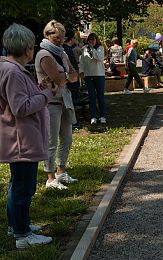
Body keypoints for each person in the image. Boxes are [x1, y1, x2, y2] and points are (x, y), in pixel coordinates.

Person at [0, 23, 54, 248]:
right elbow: (20, 107)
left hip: (19, 138)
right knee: (23, 188)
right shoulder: (12, 71)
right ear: (26, 48)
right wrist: (46, 95)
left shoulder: (11, 69)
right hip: (21, 140)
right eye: (31, 46)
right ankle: (22, 235)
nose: (33, 50)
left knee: (18, 185)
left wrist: (37, 90)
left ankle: (18, 225)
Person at [35, 20, 78, 190]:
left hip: (64, 99)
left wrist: (65, 75)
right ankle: (50, 177)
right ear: (47, 35)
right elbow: (60, 78)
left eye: (62, 37)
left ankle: (61, 171)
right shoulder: (44, 54)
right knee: (51, 141)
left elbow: (74, 76)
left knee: (67, 138)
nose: (60, 40)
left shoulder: (62, 53)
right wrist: (66, 75)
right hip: (50, 102)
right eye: (57, 37)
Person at [79, 33, 107, 125]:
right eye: (89, 40)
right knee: (91, 96)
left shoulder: (100, 48)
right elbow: (82, 61)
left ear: (96, 40)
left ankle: (102, 116)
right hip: (89, 75)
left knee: (100, 96)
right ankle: (93, 116)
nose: (91, 42)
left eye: (93, 40)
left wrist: (92, 49)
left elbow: (99, 58)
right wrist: (81, 72)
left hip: (99, 74)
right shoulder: (84, 49)